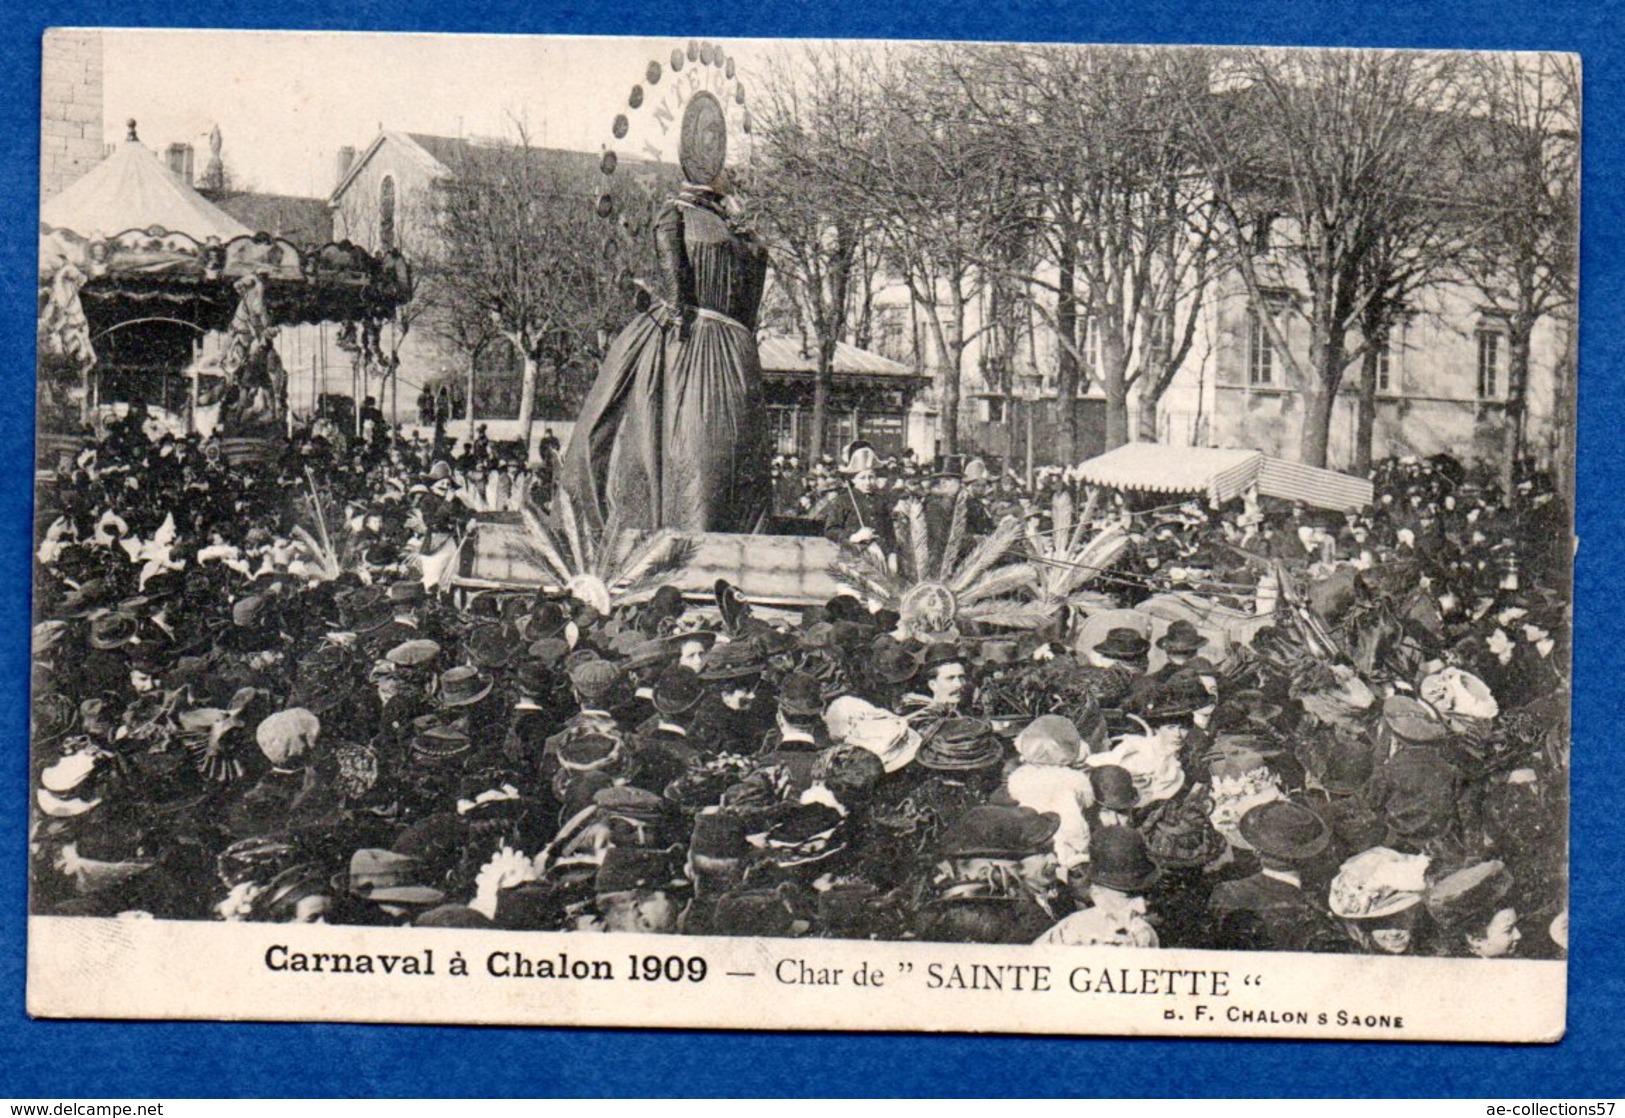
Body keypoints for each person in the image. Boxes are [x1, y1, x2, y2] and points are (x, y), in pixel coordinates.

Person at [560, 93, 770, 533]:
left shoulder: (737, 227)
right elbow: (677, 287)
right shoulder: (675, 214)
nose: (718, 155)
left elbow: (751, 297)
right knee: (690, 447)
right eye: (707, 140)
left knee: (734, 454)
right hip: (692, 337)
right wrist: (681, 322)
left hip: (733, 347)